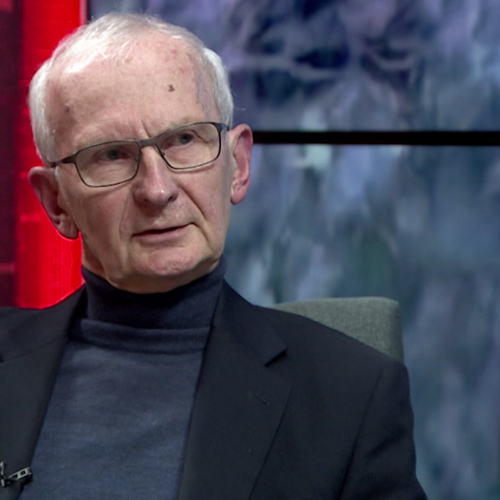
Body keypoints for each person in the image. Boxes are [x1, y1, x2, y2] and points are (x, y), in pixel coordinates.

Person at [0, 12, 427, 500]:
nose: (157, 190)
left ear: (238, 165)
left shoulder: (351, 394)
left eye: (184, 140)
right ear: (56, 202)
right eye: (111, 155)